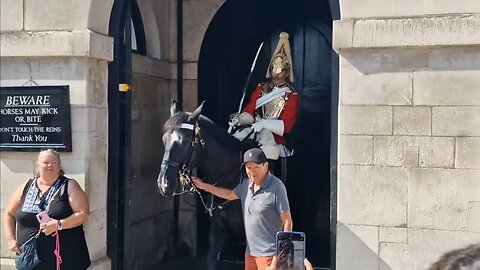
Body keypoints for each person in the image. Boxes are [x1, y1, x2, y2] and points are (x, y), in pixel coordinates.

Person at [192, 148, 293, 270]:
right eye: (249, 168)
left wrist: (278, 257)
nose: (252, 171)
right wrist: (203, 186)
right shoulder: (246, 185)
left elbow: (287, 222)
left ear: (265, 166)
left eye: (256, 167)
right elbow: (229, 194)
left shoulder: (277, 187)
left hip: (270, 255)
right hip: (250, 254)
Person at [3, 149, 91, 270]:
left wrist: (59, 224)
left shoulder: (69, 186)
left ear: (59, 166)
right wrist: (10, 239)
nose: (50, 165)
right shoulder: (27, 186)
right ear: (38, 167)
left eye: (54, 162)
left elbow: (83, 214)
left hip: (64, 260)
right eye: (45, 162)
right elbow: (9, 214)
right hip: (31, 260)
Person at [230, 32, 298, 164]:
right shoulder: (262, 88)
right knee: (234, 140)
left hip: (273, 135)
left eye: (280, 71)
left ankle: (267, 178)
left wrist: (264, 124)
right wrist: (239, 119)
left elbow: (286, 126)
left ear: (286, 72)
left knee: (268, 150)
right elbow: (251, 110)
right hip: (254, 126)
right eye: (274, 70)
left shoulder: (291, 95)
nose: (276, 75)